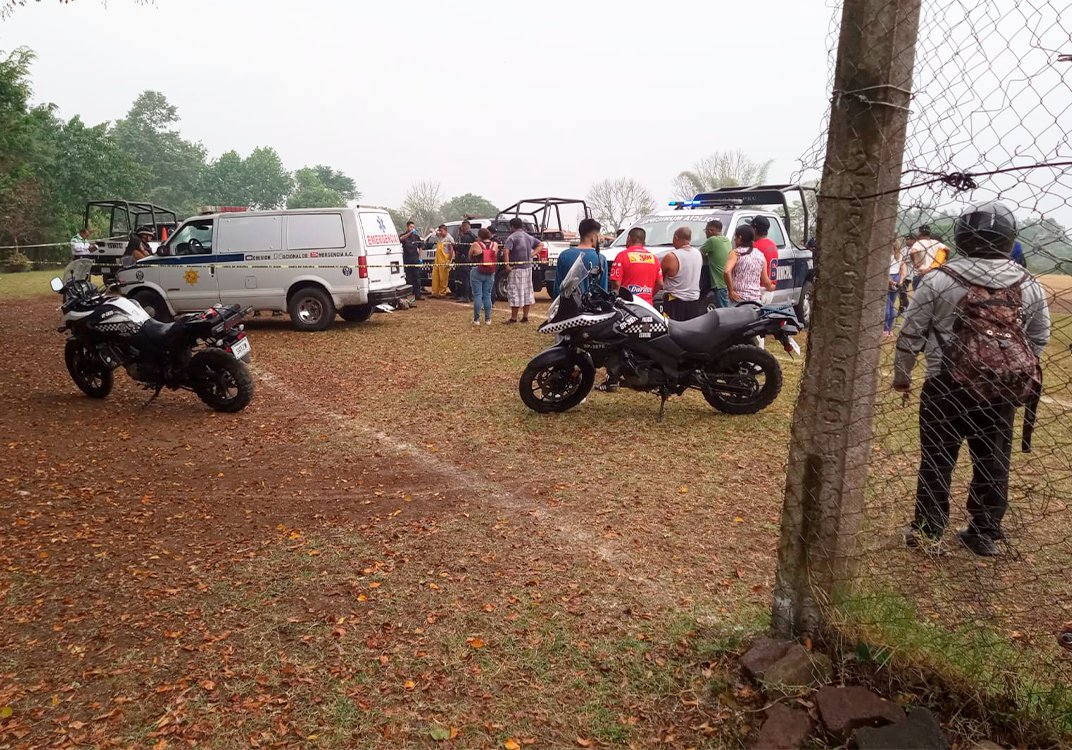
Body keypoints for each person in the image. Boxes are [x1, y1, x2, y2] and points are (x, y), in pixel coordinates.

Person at [894, 201, 1050, 557]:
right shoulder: (1029, 284)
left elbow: (911, 334)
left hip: (946, 383)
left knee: (937, 457)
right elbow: (1040, 335)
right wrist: (1008, 365)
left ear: (962, 235)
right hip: (1001, 391)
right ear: (1008, 238)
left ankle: (928, 528)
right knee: (994, 459)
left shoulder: (938, 279)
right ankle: (984, 531)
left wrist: (902, 377)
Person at [503, 217, 546, 323]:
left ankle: (513, 318)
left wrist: (507, 265)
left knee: (515, 292)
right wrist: (532, 254)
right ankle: (525, 317)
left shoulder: (512, 237)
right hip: (528, 268)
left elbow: (506, 252)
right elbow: (541, 244)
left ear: (512, 226)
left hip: (516, 269)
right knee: (527, 292)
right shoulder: (528, 237)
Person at [609, 227, 662, 305]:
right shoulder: (654, 258)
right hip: (647, 306)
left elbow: (616, 283)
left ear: (628, 238)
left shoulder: (622, 256)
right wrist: (649, 296)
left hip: (627, 306)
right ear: (643, 241)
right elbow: (660, 283)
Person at [554, 217, 607, 296]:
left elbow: (557, 290)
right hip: (592, 308)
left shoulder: (564, 255)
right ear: (594, 236)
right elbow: (603, 291)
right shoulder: (600, 259)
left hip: (566, 307)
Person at [724, 225, 775, 305]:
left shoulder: (736, 253)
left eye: (735, 237)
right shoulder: (760, 255)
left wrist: (731, 291)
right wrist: (771, 286)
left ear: (740, 238)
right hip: (755, 302)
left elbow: (727, 271)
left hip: (738, 300)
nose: (734, 239)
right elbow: (765, 280)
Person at [659, 227, 703, 321]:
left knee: (672, 331)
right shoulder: (698, 254)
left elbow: (659, 279)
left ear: (676, 238)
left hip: (675, 301)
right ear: (689, 239)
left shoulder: (671, 256)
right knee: (690, 331)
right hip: (694, 301)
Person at [468, 228, 498, 326]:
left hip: (478, 270)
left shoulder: (475, 244)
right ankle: (488, 319)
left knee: (477, 295)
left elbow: (470, 256)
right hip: (490, 272)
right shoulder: (495, 245)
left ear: (479, 236)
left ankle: (476, 319)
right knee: (487, 295)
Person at [699, 220, 732, 308]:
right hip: (727, 281)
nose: (705, 233)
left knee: (724, 309)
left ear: (710, 231)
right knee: (727, 306)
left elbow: (699, 253)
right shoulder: (727, 240)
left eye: (705, 231)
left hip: (719, 283)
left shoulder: (712, 240)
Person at [751, 216, 779, 294]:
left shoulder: (754, 246)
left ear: (755, 230)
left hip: (758, 289)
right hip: (770, 288)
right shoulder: (773, 244)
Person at [884, 245, 907, 340]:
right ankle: (889, 329)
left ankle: (885, 329)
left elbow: (885, 270)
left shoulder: (886, 255)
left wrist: (890, 281)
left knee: (886, 305)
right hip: (897, 277)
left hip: (888, 277)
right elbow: (904, 269)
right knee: (892, 305)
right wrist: (901, 281)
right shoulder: (899, 255)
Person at [400, 221, 425, 300]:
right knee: (408, 279)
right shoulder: (404, 235)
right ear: (407, 227)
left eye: (413, 227)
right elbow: (400, 239)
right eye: (411, 227)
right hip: (407, 260)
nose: (412, 229)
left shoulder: (416, 237)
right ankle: (408, 295)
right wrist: (409, 233)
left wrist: (420, 258)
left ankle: (418, 295)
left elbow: (420, 247)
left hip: (415, 260)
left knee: (417, 278)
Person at [454, 220, 477, 302]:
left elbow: (461, 249)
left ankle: (465, 296)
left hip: (464, 259)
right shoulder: (474, 236)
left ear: (464, 227)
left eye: (462, 227)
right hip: (472, 259)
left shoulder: (464, 237)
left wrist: (455, 246)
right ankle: (471, 296)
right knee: (471, 278)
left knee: (465, 279)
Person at [430, 224, 454, 298]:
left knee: (443, 278)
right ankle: (435, 293)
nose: (440, 232)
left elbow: (451, 250)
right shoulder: (440, 236)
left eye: (441, 231)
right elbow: (434, 232)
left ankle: (442, 293)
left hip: (444, 260)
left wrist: (449, 260)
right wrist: (433, 231)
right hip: (437, 259)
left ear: (446, 230)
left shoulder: (449, 238)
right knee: (435, 276)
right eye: (439, 231)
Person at [897, 234, 915, 316]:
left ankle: (907, 309)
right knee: (900, 293)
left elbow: (903, 259)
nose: (907, 241)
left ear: (913, 240)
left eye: (909, 239)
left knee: (902, 292)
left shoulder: (914, 250)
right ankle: (901, 309)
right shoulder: (904, 249)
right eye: (907, 239)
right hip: (900, 273)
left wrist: (900, 258)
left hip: (907, 274)